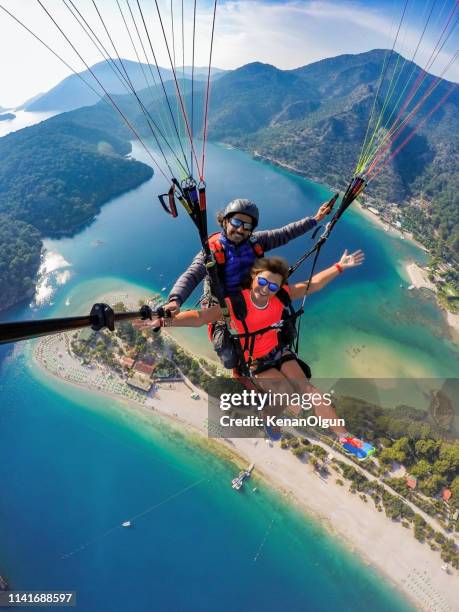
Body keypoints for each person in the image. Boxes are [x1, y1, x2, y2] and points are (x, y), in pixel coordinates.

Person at [153, 250, 367, 443]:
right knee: (286, 395)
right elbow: (200, 317)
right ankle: (268, 417)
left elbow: (315, 284)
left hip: (279, 350)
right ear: (253, 278)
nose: (266, 289)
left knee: (310, 391)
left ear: (279, 287)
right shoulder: (237, 303)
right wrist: (164, 321)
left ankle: (344, 437)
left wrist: (339, 267)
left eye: (273, 286)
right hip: (255, 360)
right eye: (263, 282)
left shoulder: (282, 296)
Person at [165, 197, 333, 367]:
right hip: (224, 307)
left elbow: (285, 233)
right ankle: (245, 366)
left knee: (288, 333)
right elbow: (192, 274)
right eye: (236, 222)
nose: (240, 229)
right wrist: (175, 300)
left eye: (247, 226)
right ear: (225, 221)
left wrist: (315, 219)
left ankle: (274, 355)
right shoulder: (211, 251)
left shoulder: (255, 241)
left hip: (254, 299)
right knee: (229, 358)